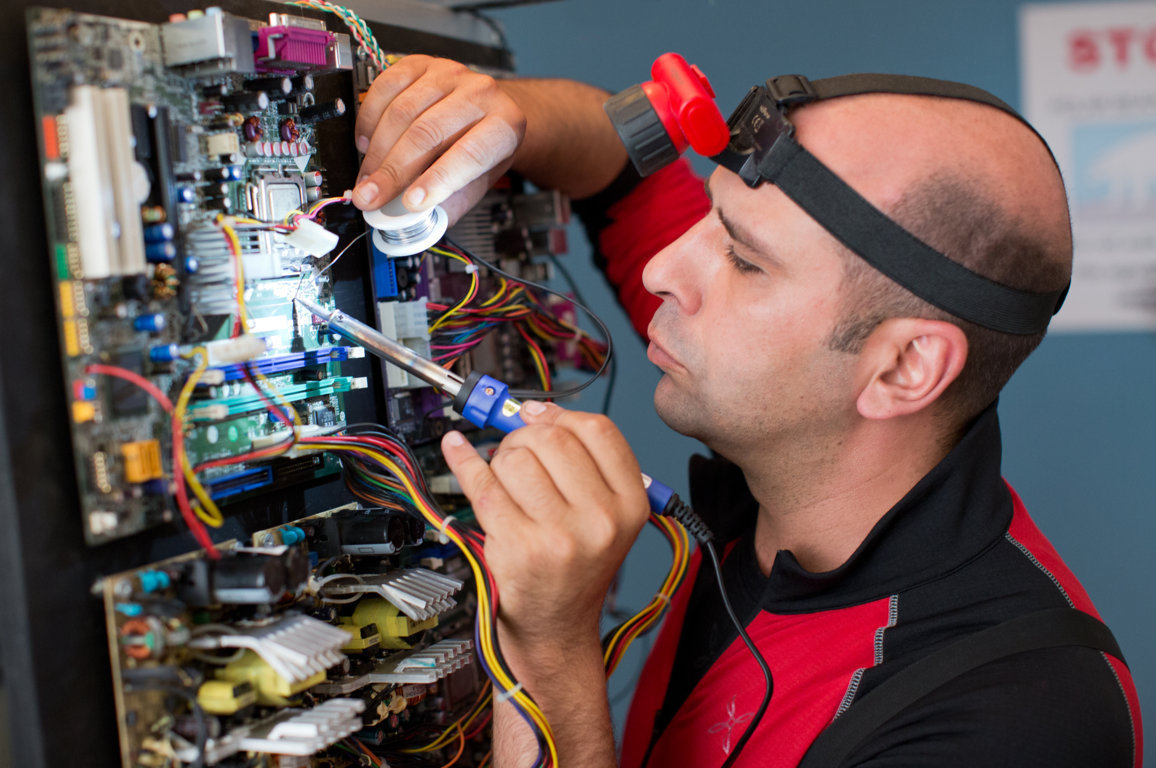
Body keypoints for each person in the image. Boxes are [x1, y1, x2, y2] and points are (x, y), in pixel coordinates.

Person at [349, 56, 1143, 766]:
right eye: (708, 216)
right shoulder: (790, 428)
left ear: (903, 367)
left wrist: (550, 659)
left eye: (742, 258)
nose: (663, 267)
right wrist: (490, 117)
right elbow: (623, 161)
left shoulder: (1011, 719)